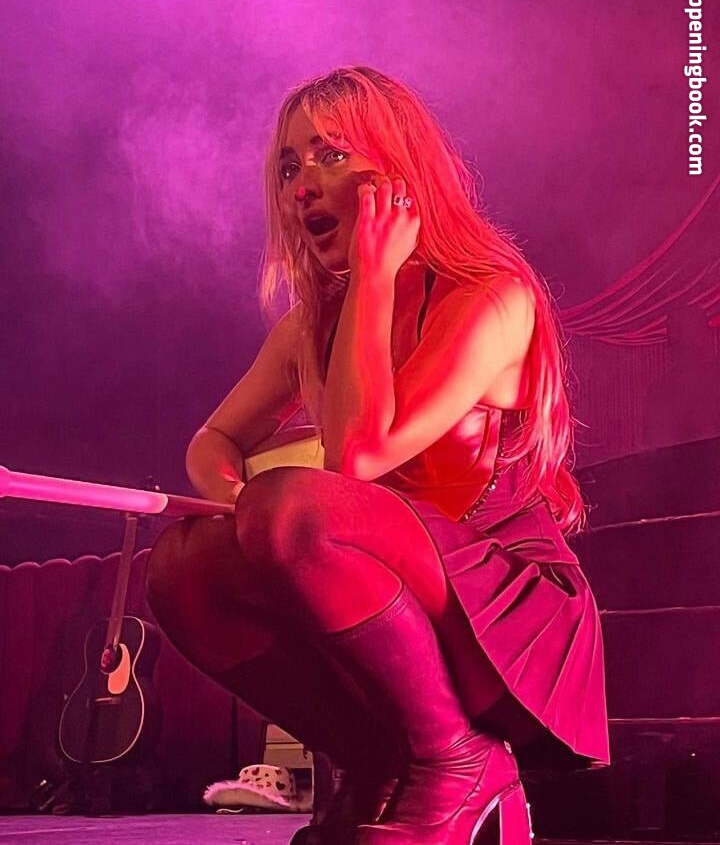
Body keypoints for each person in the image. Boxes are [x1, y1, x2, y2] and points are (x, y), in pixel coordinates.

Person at [145, 66, 610, 844]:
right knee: (183, 567)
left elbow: (360, 458)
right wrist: (234, 505)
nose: (302, 185)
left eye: (331, 155)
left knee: (293, 510)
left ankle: (457, 760)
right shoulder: (310, 325)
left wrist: (373, 277)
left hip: (506, 608)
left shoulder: (493, 296)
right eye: (288, 167)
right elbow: (212, 441)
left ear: (401, 172)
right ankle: (376, 762)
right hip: (389, 588)